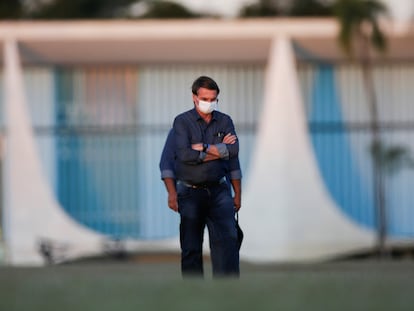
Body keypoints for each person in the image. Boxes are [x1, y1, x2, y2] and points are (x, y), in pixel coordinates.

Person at [160, 76, 242, 278]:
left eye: (213, 98)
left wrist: (203, 149)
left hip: (220, 191)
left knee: (228, 240)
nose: (209, 102)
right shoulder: (181, 124)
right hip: (190, 192)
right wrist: (172, 193)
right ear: (194, 98)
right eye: (205, 98)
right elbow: (180, 158)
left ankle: (228, 289)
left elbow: (234, 154)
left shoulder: (225, 121)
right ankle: (193, 292)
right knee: (191, 246)